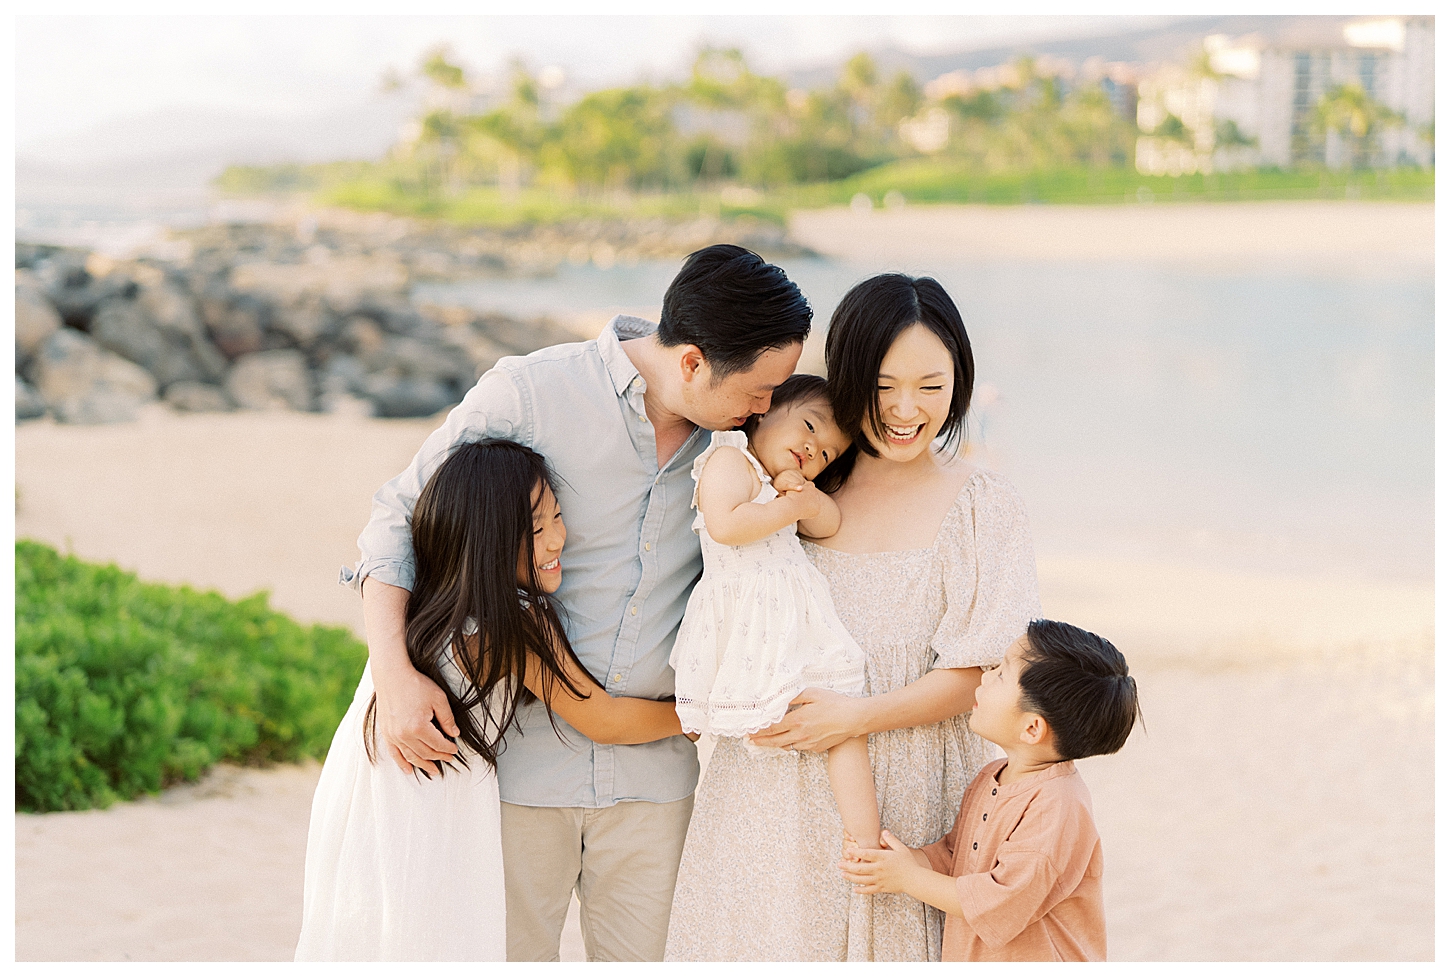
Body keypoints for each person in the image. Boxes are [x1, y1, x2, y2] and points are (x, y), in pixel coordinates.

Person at [341, 244, 812, 961]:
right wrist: (395, 675)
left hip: (656, 784)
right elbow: (396, 520)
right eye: (756, 388)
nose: (766, 407)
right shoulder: (529, 392)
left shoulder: (741, 444)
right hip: (511, 772)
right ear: (691, 362)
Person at [666, 273, 1040, 961]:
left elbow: (983, 674)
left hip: (911, 803)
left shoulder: (983, 504)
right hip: (769, 798)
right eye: (882, 384)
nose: (905, 408)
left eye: (931, 386)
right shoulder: (799, 482)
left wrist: (856, 716)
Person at [296, 439, 687, 961]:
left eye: (557, 516)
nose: (557, 540)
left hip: (370, 798)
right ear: (485, 541)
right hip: (432, 805)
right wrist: (701, 715)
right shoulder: (512, 624)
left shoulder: (424, 604)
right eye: (535, 529)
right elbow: (604, 718)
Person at [838, 619, 1141, 962]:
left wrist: (906, 878)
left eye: (1000, 674)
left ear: (1031, 728)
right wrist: (900, 859)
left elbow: (1001, 900)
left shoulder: (1058, 805)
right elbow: (957, 856)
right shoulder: (993, 776)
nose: (984, 676)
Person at [669, 374, 879, 853]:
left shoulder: (786, 487)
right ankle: (766, 842)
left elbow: (830, 523)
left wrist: (805, 497)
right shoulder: (730, 459)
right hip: (748, 621)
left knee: (838, 711)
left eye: (827, 454)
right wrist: (789, 507)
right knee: (766, 733)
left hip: (790, 622)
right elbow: (725, 524)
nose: (813, 449)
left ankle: (863, 836)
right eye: (809, 426)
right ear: (763, 409)